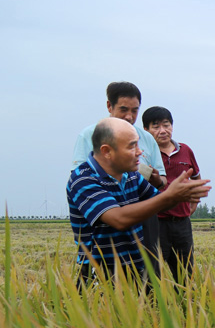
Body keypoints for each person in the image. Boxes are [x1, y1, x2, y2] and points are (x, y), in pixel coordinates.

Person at [67, 118, 210, 284]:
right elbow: (118, 218)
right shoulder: (83, 179)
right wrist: (170, 195)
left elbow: (157, 201)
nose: (139, 152)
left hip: (135, 270)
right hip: (100, 274)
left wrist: (179, 194)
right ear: (107, 151)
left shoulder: (131, 175)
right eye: (131, 146)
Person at [72, 82, 168, 274]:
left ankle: (147, 298)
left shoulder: (146, 138)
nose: (129, 116)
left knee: (147, 265)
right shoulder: (90, 135)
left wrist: (157, 181)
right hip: (104, 210)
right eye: (123, 109)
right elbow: (80, 177)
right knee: (101, 272)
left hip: (141, 208)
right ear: (109, 106)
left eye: (134, 111)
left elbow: (162, 183)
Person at [142, 106, 201, 283]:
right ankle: (154, 309)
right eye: (156, 126)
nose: (162, 131)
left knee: (185, 274)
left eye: (166, 125)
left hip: (182, 224)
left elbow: (196, 177)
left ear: (172, 126)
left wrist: (194, 202)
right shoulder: (146, 155)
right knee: (153, 275)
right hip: (155, 223)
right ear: (146, 130)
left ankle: (186, 308)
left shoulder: (185, 150)